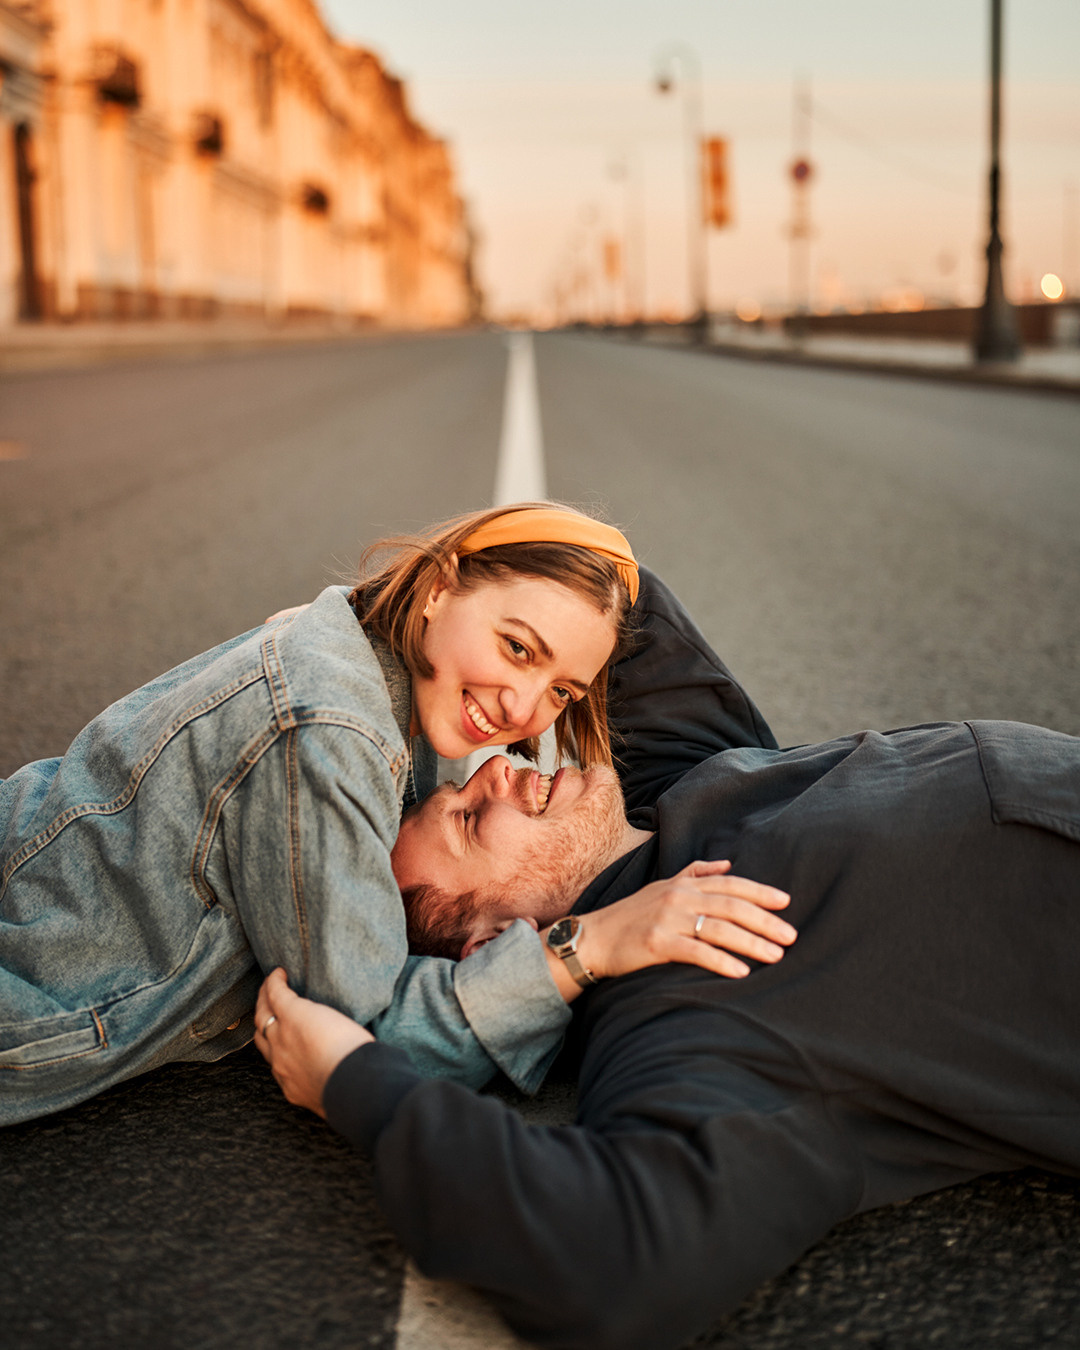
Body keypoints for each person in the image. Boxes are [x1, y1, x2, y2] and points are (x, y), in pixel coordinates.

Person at [255, 566, 1080, 1350]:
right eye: (471, 821)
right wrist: (353, 1082)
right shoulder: (687, 1011)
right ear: (493, 943)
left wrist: (400, 623)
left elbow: (615, 590)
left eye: (465, 782)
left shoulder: (675, 787)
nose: (502, 768)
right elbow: (614, 1260)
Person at [0, 504, 786, 1128]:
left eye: (561, 692)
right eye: (518, 648)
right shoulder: (332, 729)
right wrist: (585, 952)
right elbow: (359, 1033)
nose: (523, 711)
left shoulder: (372, 652)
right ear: (439, 586)